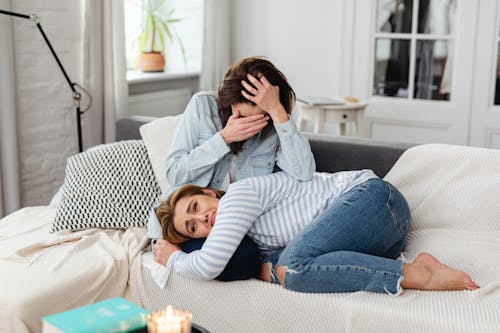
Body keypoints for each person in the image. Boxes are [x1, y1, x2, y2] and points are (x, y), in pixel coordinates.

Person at [152, 170, 480, 294]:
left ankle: (418, 275)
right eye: (192, 227)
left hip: (375, 200)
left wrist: (173, 259)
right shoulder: (247, 236)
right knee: (285, 266)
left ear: (208, 193)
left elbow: (208, 265)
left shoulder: (238, 196)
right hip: (380, 239)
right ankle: (418, 262)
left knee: (291, 268)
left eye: (195, 206)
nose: (203, 219)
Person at [147, 57, 315, 239]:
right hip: (187, 225)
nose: (240, 120)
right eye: (239, 113)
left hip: (235, 226)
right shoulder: (203, 106)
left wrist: (277, 111)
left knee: (243, 256)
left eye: (253, 119)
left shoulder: (274, 129)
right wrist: (223, 138)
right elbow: (175, 172)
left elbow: (304, 172)